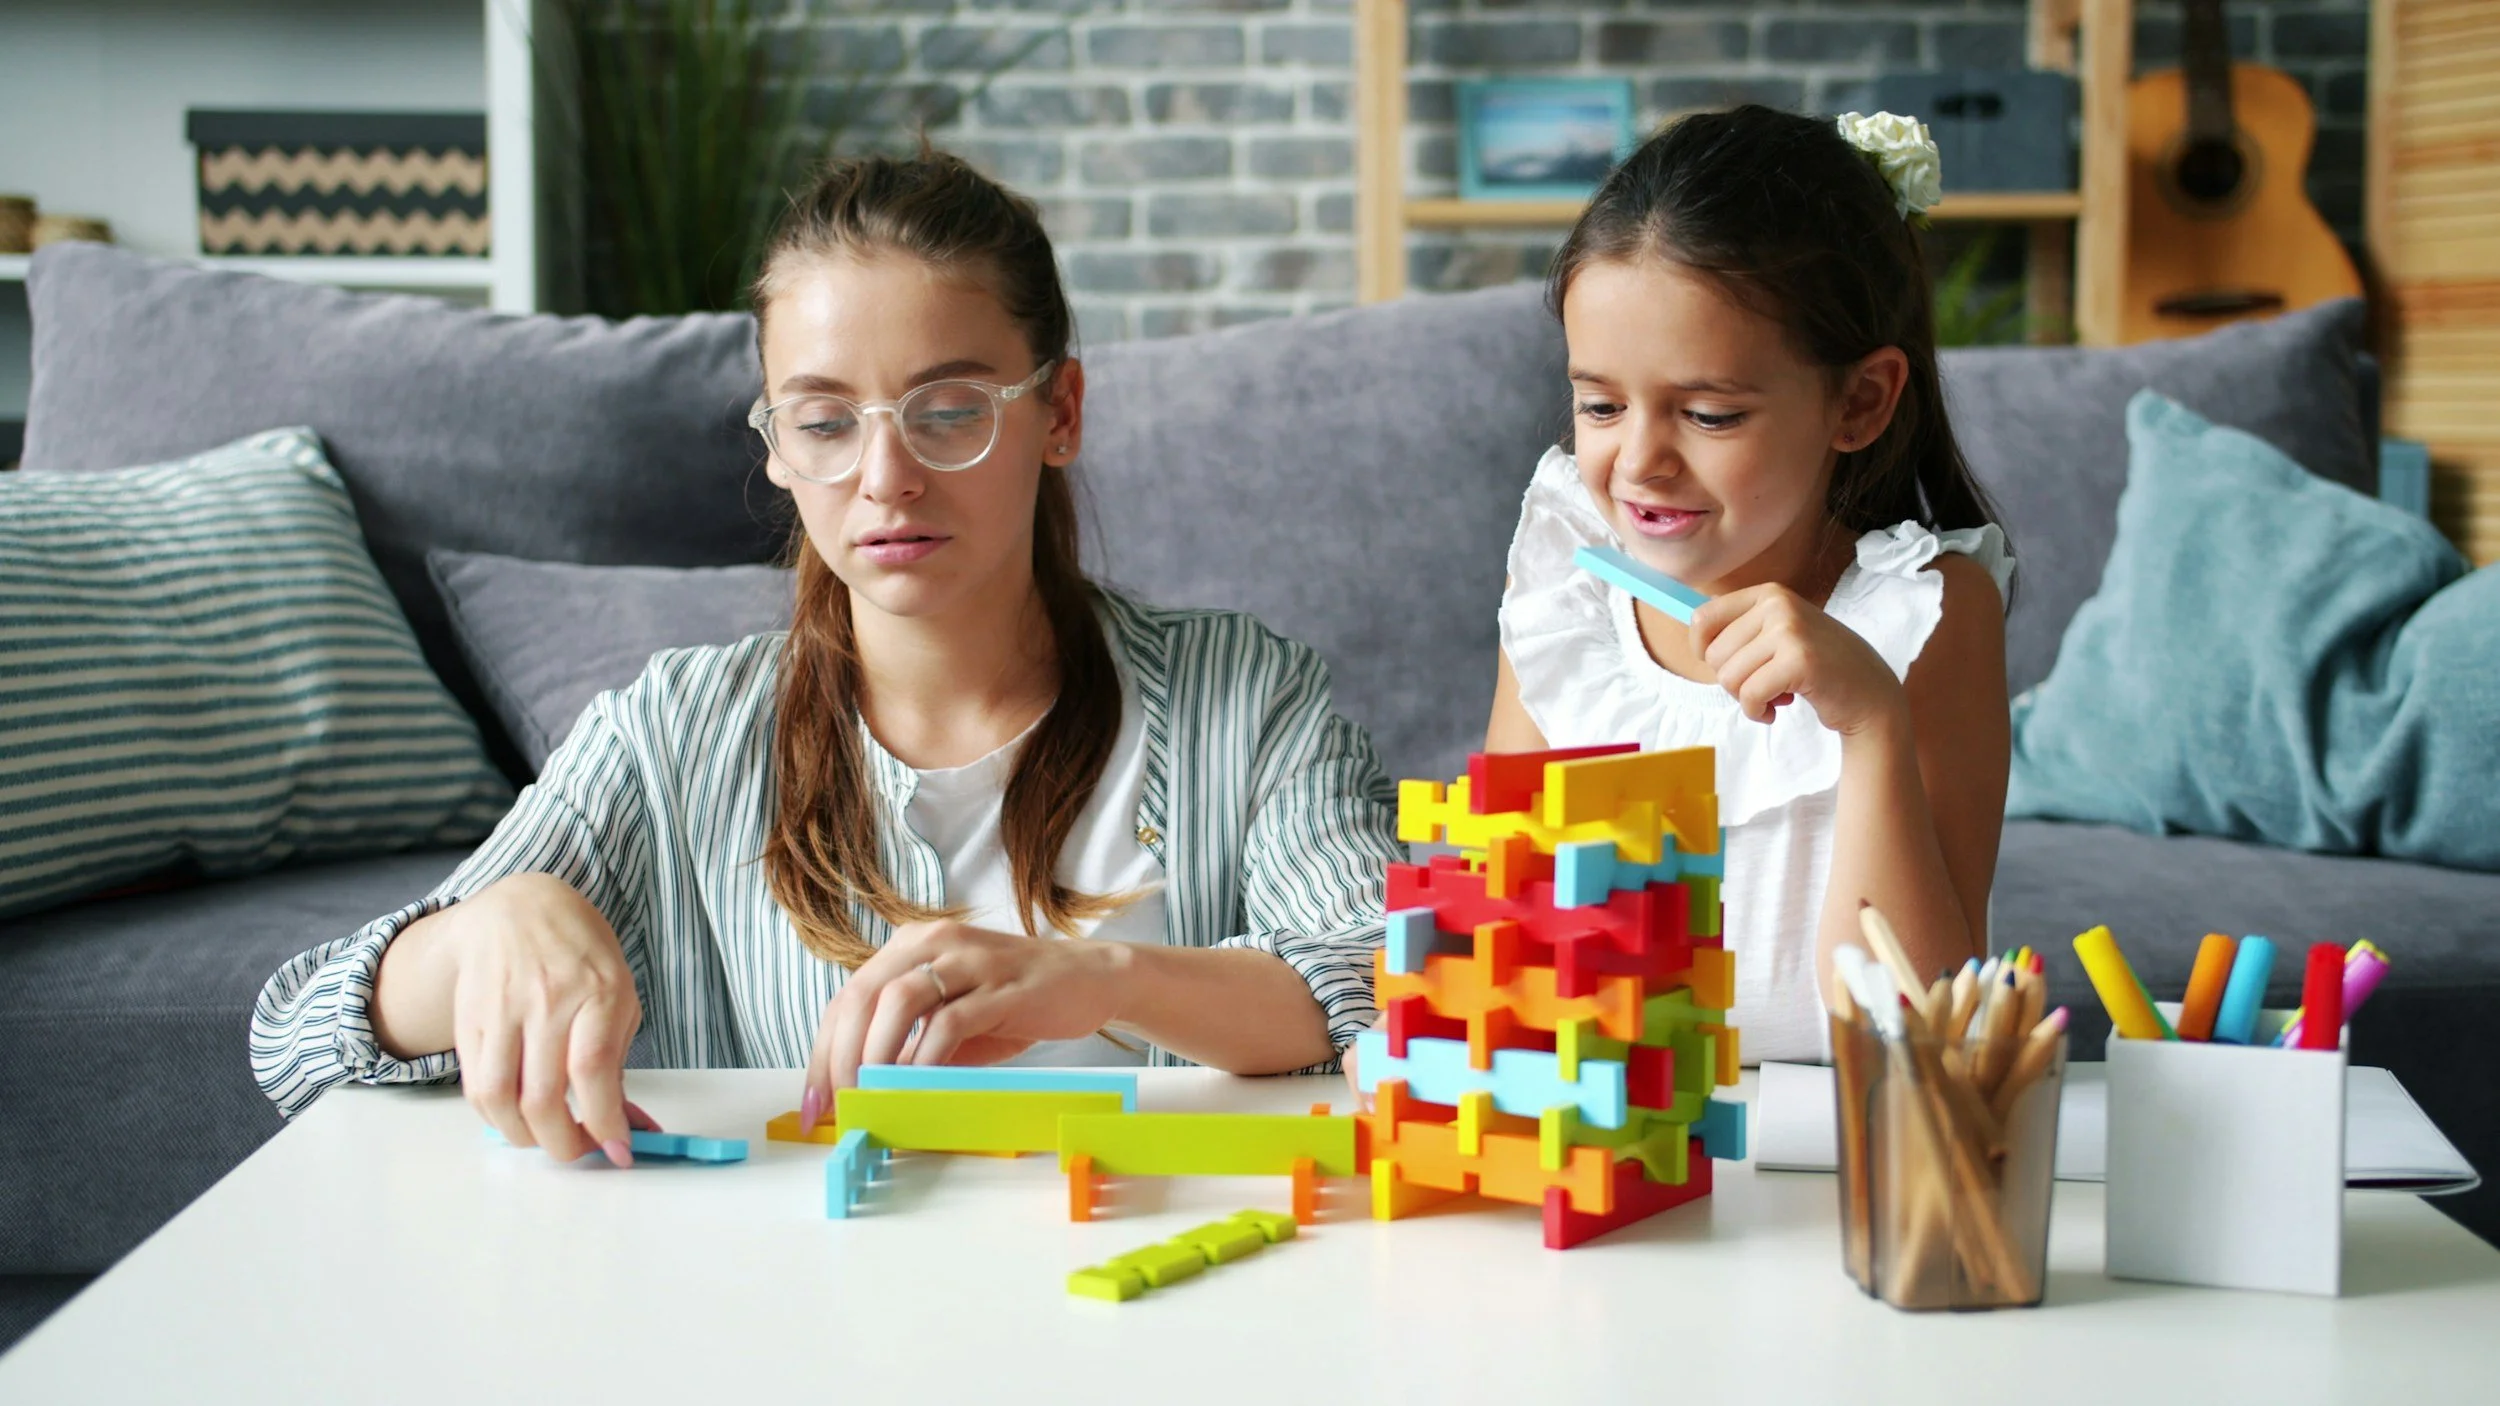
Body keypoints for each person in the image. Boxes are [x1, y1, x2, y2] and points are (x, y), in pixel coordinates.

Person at [251, 151, 1403, 1164]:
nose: (885, 476)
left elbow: (1392, 978)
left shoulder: (1246, 697)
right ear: (777, 447)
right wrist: (490, 924)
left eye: (948, 409)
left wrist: (1094, 979)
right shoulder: (675, 731)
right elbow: (293, 1038)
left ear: (1060, 411)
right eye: (823, 419)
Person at [1489, 107, 2016, 1063]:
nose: (1639, 461)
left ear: (1858, 402)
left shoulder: (1928, 612)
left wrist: (1869, 720)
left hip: (1836, 1158)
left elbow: (1918, 1041)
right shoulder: (1566, 596)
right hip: (1614, 1152)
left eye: (1709, 414)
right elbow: (1501, 955)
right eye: (1600, 405)